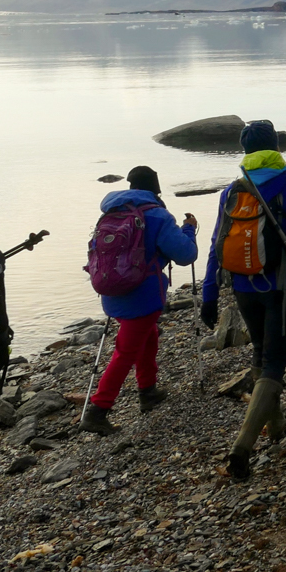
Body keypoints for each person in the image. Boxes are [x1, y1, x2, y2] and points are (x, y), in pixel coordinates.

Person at [200, 120, 286, 481]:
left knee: (259, 354)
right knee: (275, 360)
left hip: (243, 287)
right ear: (276, 148)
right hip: (283, 288)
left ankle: (278, 424)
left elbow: (215, 246)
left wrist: (208, 295)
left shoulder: (232, 191)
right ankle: (242, 447)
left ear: (245, 152)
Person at [81, 165, 197, 436]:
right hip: (142, 294)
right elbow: (185, 255)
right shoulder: (157, 215)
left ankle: (148, 391)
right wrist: (189, 230)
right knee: (125, 351)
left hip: (111, 291)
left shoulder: (110, 213)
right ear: (155, 189)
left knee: (148, 335)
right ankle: (98, 410)